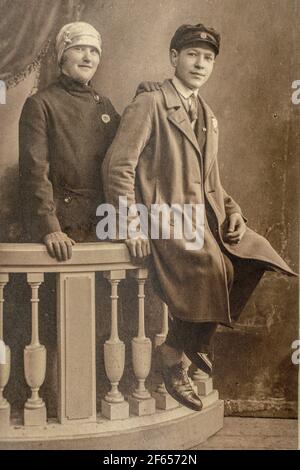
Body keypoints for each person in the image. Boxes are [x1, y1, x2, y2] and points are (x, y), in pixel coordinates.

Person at [102, 23, 296, 411]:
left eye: (208, 58)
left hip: (198, 216)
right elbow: (117, 167)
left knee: (256, 255)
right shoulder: (150, 103)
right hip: (160, 217)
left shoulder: (205, 112)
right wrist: (131, 226)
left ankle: (189, 342)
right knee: (212, 265)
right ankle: (175, 356)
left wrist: (233, 212)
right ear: (174, 58)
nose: (200, 63)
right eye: (192, 55)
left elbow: (212, 182)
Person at [19, 21, 157, 259]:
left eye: (94, 51)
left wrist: (143, 97)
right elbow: (34, 173)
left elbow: (123, 154)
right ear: (62, 56)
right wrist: (50, 228)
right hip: (65, 230)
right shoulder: (40, 104)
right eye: (79, 48)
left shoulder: (103, 104)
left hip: (105, 223)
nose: (88, 57)